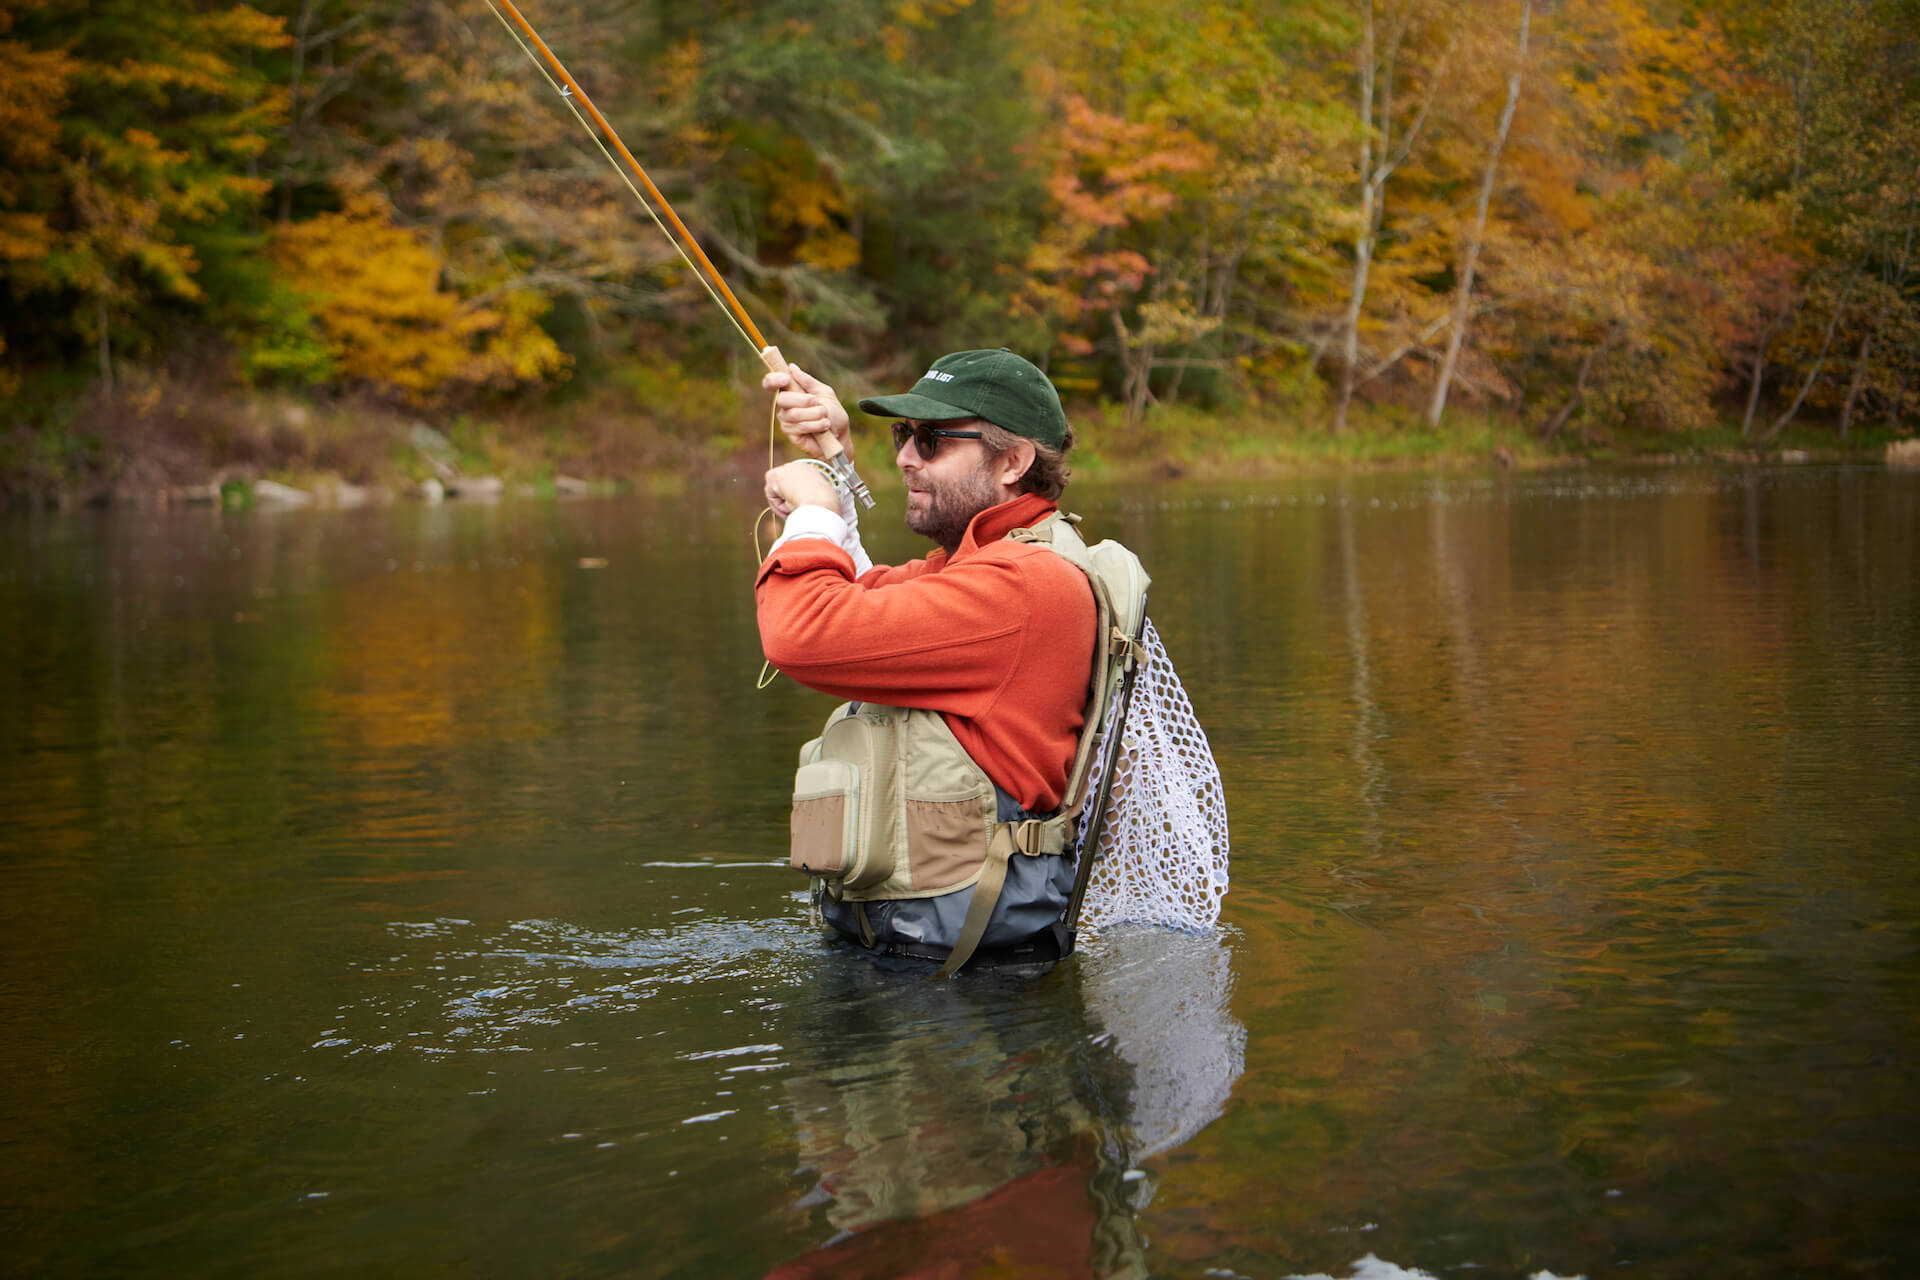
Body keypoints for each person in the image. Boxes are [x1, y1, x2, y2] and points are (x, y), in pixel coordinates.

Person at [756, 349, 1098, 964]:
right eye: (902, 434)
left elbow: (802, 631)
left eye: (933, 439)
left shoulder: (1017, 586)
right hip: (932, 958)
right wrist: (834, 470)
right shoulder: (986, 568)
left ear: (1014, 461)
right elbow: (865, 607)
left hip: (966, 989)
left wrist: (813, 510)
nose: (905, 457)